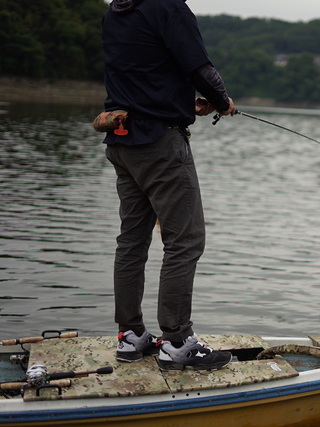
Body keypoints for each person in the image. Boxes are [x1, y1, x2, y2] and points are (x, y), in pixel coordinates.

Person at [100, 0, 236, 371]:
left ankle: (130, 336)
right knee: (185, 241)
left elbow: (144, 70)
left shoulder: (116, 10)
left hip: (122, 141)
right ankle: (176, 342)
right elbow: (200, 68)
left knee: (131, 241)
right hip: (159, 145)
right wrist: (222, 101)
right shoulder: (168, 7)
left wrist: (181, 102)